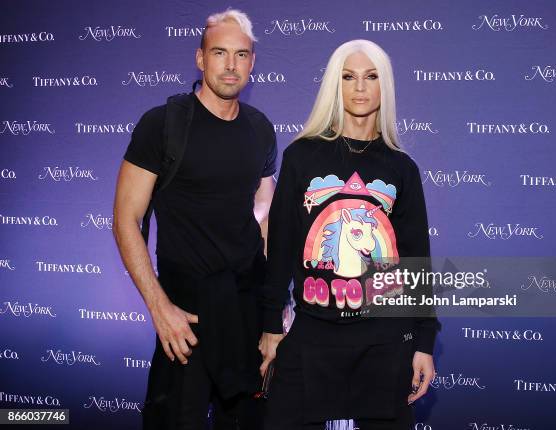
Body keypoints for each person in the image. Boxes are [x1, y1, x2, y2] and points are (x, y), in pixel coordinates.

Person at [259, 39, 440, 429]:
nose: (360, 87)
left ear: (384, 86)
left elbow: (415, 261)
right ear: (334, 85)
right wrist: (271, 325)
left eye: (371, 76)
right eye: (348, 77)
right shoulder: (301, 156)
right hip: (312, 334)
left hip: (384, 339)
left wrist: (424, 342)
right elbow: (281, 248)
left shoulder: (402, 168)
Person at [112, 9, 276, 430]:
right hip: (184, 316)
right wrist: (159, 307)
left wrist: (273, 313)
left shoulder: (260, 129)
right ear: (201, 59)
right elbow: (125, 219)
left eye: (241, 55)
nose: (231, 64)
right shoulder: (163, 124)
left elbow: (264, 218)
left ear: (252, 63)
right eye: (219, 53)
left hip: (245, 311)